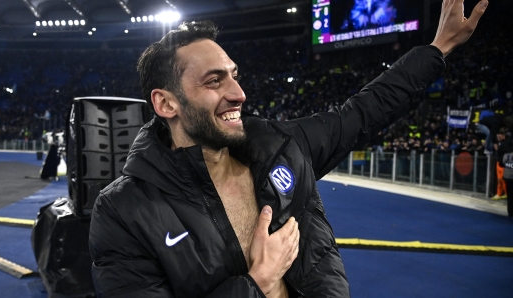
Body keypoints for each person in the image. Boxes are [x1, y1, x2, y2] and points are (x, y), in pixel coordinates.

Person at [88, 1, 488, 297]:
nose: (238, 94)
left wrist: (438, 47)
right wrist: (257, 283)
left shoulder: (281, 147)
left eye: (234, 76)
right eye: (214, 81)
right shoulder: (123, 211)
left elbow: (365, 111)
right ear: (166, 104)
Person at [493, 128, 511, 200]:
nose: (498, 137)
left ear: (504, 135)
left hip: (503, 163)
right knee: (499, 179)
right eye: (498, 136)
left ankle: (506, 193)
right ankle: (499, 193)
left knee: (503, 179)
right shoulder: (499, 143)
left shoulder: (506, 143)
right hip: (498, 162)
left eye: (500, 135)